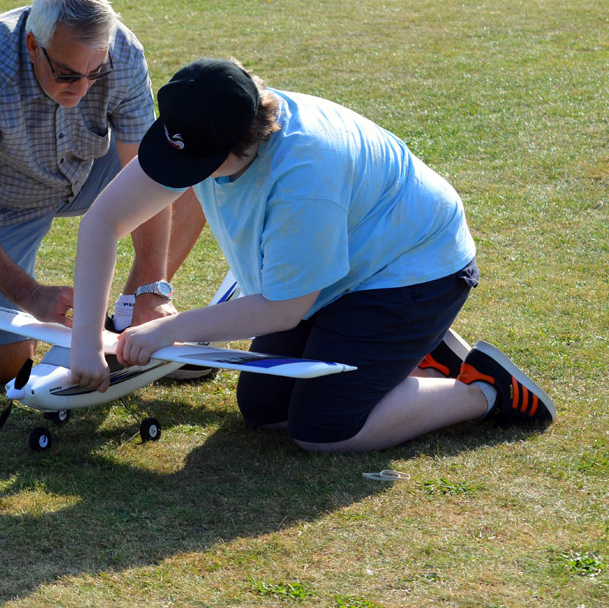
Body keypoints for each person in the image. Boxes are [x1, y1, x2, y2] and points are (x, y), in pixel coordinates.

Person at [67, 58, 555, 453]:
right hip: (335, 272)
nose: (179, 173)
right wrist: (87, 339)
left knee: (325, 429)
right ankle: (410, 348)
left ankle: (484, 389)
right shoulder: (203, 120)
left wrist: (169, 329)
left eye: (192, 164)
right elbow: (103, 222)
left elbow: (285, 307)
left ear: (241, 142)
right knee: (265, 411)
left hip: (412, 267)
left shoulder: (304, 174)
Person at [0, 0, 205, 383]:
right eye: (68, 74)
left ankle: (129, 321)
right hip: (0, 201)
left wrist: (151, 286)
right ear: (34, 45)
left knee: (190, 165)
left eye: (96, 73)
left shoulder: (123, 53)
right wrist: (29, 295)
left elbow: (152, 174)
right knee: (10, 366)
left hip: (88, 170)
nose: (83, 88)